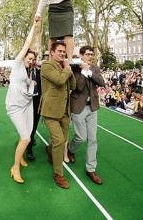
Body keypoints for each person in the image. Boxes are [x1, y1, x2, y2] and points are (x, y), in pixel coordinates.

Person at [5, 19, 39, 184]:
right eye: (29, 57)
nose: (31, 60)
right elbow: (27, 42)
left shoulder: (26, 72)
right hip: (15, 107)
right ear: (24, 56)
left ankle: (21, 159)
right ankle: (15, 167)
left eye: (33, 59)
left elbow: (26, 83)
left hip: (26, 105)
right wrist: (34, 24)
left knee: (23, 134)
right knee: (26, 138)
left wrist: (31, 83)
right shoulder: (18, 64)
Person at [39, 42, 76, 189]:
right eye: (59, 51)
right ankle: (58, 174)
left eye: (64, 51)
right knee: (60, 141)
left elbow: (72, 86)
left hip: (65, 111)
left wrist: (69, 71)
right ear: (52, 52)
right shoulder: (46, 65)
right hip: (50, 111)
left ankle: (49, 150)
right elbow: (60, 81)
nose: (62, 53)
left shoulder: (63, 67)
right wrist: (67, 69)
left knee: (61, 140)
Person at [67, 45, 105, 185]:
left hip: (92, 107)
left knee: (93, 139)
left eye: (92, 54)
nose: (90, 56)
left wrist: (89, 72)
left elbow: (101, 82)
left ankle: (91, 169)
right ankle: (70, 149)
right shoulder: (75, 68)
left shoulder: (94, 68)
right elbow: (78, 87)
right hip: (78, 107)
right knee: (81, 137)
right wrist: (83, 71)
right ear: (81, 55)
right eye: (88, 54)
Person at [26, 54, 42, 161]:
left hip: (37, 101)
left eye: (34, 59)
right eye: (31, 59)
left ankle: (30, 142)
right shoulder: (23, 71)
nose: (33, 61)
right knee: (27, 125)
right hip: (25, 101)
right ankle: (29, 148)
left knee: (34, 124)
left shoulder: (40, 72)